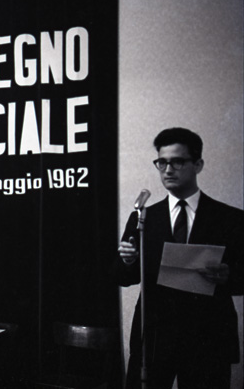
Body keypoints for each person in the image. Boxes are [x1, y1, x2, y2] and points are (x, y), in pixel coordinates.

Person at [113, 127, 243, 389]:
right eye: (162, 162)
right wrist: (127, 260)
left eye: (177, 162)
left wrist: (228, 276)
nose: (168, 170)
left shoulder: (231, 218)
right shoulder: (143, 217)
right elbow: (123, 277)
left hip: (208, 338)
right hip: (154, 337)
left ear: (198, 165)